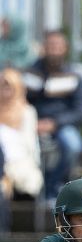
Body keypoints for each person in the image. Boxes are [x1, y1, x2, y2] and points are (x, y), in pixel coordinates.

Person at [25, 30, 82, 197]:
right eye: (50, 45)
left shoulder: (74, 75)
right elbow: (23, 102)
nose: (54, 49)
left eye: (57, 46)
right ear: (43, 48)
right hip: (32, 125)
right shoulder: (31, 73)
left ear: (65, 48)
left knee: (73, 146)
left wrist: (55, 123)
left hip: (61, 125)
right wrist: (32, 123)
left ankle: (52, 187)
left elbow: (81, 111)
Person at [0, 67, 42, 199]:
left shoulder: (27, 111)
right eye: (2, 86)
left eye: (9, 86)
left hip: (19, 161)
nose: (5, 90)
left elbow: (30, 145)